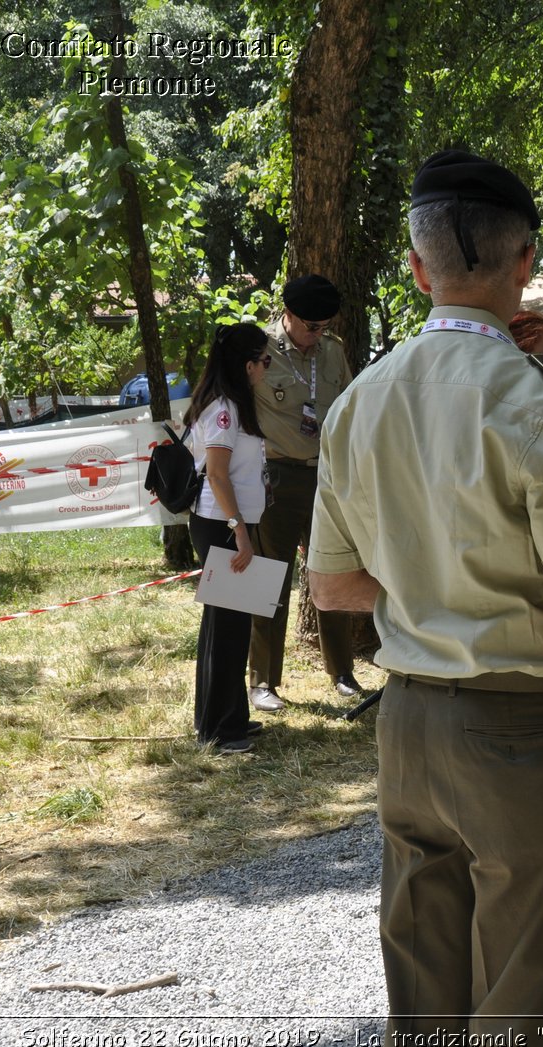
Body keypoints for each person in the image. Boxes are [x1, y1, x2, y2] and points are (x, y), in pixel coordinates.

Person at [306, 150, 543, 1047]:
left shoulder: (356, 402)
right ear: (526, 260)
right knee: (526, 993)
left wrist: (429, 578)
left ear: (417, 270)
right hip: (518, 724)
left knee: (421, 989)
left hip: (408, 715)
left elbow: (335, 589)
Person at [249, 273, 360, 713]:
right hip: (275, 476)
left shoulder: (331, 352)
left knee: (332, 576)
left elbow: (349, 404)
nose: (318, 334)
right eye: (311, 326)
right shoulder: (259, 348)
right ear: (288, 315)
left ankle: (343, 673)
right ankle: (262, 681)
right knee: (267, 580)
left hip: (326, 478)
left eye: (324, 326)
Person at [183, 324, 272, 755]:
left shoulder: (233, 404)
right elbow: (216, 475)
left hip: (228, 522)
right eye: (265, 362)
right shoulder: (224, 409)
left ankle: (228, 717)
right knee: (227, 629)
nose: (266, 370)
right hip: (221, 524)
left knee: (231, 625)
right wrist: (239, 529)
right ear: (247, 364)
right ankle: (220, 730)